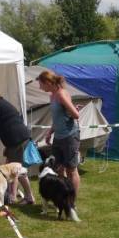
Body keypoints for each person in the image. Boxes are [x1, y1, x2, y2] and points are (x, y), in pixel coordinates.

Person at [0, 88, 36, 205]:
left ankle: (23, 197)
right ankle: (16, 196)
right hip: (16, 140)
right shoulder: (3, 103)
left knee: (17, 171)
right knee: (14, 169)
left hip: (17, 141)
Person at [36, 69, 81, 198]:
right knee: (59, 168)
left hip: (70, 136)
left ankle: (71, 201)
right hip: (58, 137)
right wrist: (50, 132)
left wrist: (70, 111)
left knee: (71, 170)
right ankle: (63, 195)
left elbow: (76, 115)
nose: (40, 87)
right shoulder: (52, 96)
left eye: (41, 84)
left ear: (48, 82)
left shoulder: (61, 94)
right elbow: (57, 118)